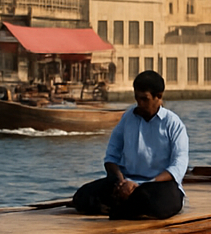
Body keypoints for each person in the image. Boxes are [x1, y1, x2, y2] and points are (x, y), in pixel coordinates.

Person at [70, 70, 188, 220]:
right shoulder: (127, 118)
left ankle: (123, 206)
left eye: (144, 99)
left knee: (155, 201)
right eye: (137, 98)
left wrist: (142, 185)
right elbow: (111, 157)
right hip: (124, 182)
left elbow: (178, 167)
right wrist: (121, 181)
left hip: (157, 185)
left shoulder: (173, 124)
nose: (139, 103)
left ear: (159, 96)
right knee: (82, 196)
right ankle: (126, 205)